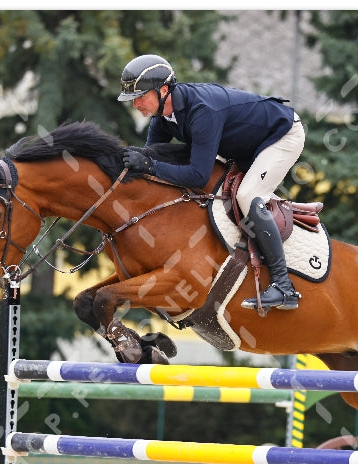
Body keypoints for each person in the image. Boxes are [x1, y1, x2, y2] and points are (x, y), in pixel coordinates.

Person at [117, 54, 306, 311]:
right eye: (133, 98)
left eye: (140, 96)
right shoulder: (162, 116)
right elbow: (151, 155)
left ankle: (284, 287)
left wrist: (149, 166)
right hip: (244, 146)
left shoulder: (202, 111)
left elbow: (197, 176)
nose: (135, 104)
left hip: (281, 136)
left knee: (247, 195)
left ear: (163, 90)